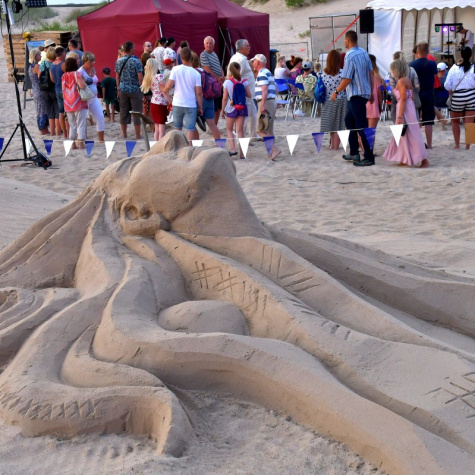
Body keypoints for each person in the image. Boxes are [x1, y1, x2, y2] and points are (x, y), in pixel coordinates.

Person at [331, 30, 375, 167]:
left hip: (356, 94)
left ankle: (369, 156)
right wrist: (371, 91)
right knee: (349, 120)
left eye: (345, 40)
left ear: (348, 40)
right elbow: (371, 73)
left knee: (361, 126)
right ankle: (354, 152)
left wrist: (336, 92)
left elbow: (347, 78)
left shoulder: (349, 56)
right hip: (363, 93)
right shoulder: (364, 52)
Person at [383, 59, 429, 168]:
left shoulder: (401, 81)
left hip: (404, 108)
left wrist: (399, 116)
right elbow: (411, 96)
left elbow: (403, 98)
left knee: (407, 133)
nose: (392, 72)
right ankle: (405, 158)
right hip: (409, 107)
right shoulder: (407, 79)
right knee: (407, 134)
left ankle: (423, 160)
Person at [162, 47, 203, 144]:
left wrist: (164, 90)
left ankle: (178, 146)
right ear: (191, 57)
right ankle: (189, 147)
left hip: (178, 102)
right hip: (190, 103)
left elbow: (169, 85)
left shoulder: (176, 69)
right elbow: (198, 93)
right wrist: (200, 107)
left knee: (177, 128)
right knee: (190, 128)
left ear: (181, 57)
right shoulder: (196, 73)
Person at [444, 46, 475, 150]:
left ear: (461, 55)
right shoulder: (473, 68)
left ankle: (457, 144)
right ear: (471, 56)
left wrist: (451, 91)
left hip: (458, 96)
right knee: (470, 123)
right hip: (471, 96)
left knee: (455, 121)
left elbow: (447, 84)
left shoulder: (454, 68)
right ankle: (467, 146)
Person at [252, 53, 281, 161]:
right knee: (268, 129)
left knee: (260, 129)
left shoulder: (262, 73)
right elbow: (276, 89)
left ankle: (274, 149)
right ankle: (271, 152)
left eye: (254, 61)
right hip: (271, 101)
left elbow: (264, 90)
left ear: (258, 62)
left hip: (266, 102)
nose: (253, 63)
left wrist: (263, 104)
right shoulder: (268, 72)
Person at [410, 42, 438, 149]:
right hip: (428, 94)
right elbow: (435, 75)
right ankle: (429, 144)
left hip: (416, 94)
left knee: (415, 119)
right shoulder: (432, 64)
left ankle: (417, 144)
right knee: (428, 120)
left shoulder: (412, 64)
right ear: (427, 51)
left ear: (417, 52)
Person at [229, 39, 257, 140]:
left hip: (249, 95)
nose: (249, 47)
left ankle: (253, 136)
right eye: (247, 45)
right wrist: (241, 94)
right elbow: (236, 78)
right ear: (241, 48)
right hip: (245, 96)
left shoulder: (238, 58)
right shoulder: (241, 60)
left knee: (253, 115)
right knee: (244, 118)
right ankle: (240, 139)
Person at [222, 62, 251, 159]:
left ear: (230, 71)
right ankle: (242, 153)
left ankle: (233, 149)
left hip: (231, 108)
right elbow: (249, 95)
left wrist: (223, 110)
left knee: (229, 129)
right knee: (240, 131)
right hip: (242, 107)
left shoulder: (227, 82)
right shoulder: (244, 81)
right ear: (239, 69)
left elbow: (225, 98)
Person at [115, 41, 144, 139]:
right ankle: (138, 135)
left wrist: (118, 89)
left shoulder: (118, 61)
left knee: (123, 112)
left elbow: (117, 77)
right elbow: (140, 77)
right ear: (131, 49)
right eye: (134, 48)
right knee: (137, 112)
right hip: (135, 89)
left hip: (123, 89)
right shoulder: (136, 61)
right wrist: (141, 88)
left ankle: (124, 134)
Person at [190, 52, 221, 140]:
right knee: (212, 124)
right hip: (209, 99)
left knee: (191, 125)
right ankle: (220, 145)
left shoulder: (193, 72)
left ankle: (196, 144)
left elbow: (195, 90)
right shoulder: (204, 71)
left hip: (199, 100)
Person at [320, 50, 347, 150]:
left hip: (328, 100)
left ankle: (332, 145)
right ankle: (336, 145)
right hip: (341, 99)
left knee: (331, 124)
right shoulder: (342, 73)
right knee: (339, 125)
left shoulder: (322, 73)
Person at [61, 57, 88, 150]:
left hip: (68, 102)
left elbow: (63, 89)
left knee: (72, 124)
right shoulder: (77, 74)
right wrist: (83, 80)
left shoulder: (64, 75)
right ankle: (81, 143)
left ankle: (73, 144)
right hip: (78, 101)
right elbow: (82, 86)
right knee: (81, 123)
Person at [78, 51, 105, 142]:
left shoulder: (93, 69)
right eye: (91, 61)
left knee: (100, 117)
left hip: (94, 98)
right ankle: (82, 140)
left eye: (93, 60)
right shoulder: (80, 72)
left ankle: (101, 139)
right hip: (84, 99)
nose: (93, 63)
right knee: (82, 121)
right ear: (85, 61)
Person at [389, 51, 420, 124]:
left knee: (400, 124)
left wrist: (397, 93)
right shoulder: (412, 70)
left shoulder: (394, 74)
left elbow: (392, 87)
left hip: (399, 100)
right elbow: (417, 86)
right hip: (410, 101)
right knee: (411, 122)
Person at [141, 58, 168, 141]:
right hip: (161, 103)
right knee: (162, 127)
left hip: (153, 102)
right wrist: (170, 101)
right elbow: (164, 91)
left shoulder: (148, 78)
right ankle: (160, 144)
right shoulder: (159, 77)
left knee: (156, 127)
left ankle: (156, 143)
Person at [200, 36, 225, 125]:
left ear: (213, 45)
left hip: (218, 83)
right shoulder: (203, 55)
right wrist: (218, 78)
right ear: (204, 45)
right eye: (207, 43)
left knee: (218, 107)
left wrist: (222, 76)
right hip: (211, 84)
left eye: (210, 43)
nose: (208, 45)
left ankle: (215, 125)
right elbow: (207, 69)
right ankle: (212, 125)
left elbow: (219, 67)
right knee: (214, 106)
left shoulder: (214, 54)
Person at [38, 46, 59, 137]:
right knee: (57, 111)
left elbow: (39, 76)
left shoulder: (43, 63)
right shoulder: (55, 64)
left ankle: (52, 132)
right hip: (53, 89)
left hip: (44, 90)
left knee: (49, 111)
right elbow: (54, 78)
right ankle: (58, 131)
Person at [28, 48, 49, 135]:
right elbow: (41, 77)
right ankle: (43, 129)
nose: (40, 56)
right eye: (39, 55)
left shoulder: (30, 66)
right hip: (39, 90)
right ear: (35, 56)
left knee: (39, 110)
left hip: (35, 89)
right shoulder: (37, 66)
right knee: (42, 110)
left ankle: (43, 128)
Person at [49, 46, 67, 138]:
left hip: (57, 88)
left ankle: (64, 133)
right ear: (62, 54)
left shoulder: (52, 65)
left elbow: (52, 79)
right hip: (65, 89)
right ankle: (67, 131)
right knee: (67, 112)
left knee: (60, 112)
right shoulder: (63, 64)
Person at [366, 54, 384, 129]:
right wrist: (380, 106)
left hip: (363, 104)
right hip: (373, 105)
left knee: (362, 132)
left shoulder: (363, 75)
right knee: (371, 131)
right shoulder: (376, 76)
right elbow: (379, 93)